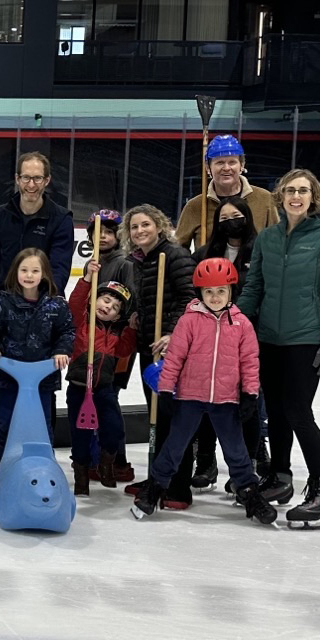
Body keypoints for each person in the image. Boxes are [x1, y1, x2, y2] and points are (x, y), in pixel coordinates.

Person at [237, 169, 320, 525]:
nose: (296, 196)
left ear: (313, 196)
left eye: (303, 191)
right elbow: (253, 288)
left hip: (305, 338)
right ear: (280, 196)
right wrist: (237, 327)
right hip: (268, 338)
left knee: (299, 411)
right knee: (278, 413)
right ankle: (281, 477)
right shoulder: (268, 238)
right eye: (289, 190)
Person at [133, 258, 274, 524]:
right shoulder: (189, 321)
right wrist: (165, 390)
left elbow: (250, 362)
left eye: (221, 290)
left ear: (231, 291)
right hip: (189, 397)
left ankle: (249, 491)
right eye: (209, 292)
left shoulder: (242, 324)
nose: (215, 297)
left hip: (227, 399)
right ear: (200, 293)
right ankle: (155, 488)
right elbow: (174, 358)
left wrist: (250, 394)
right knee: (174, 447)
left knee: (236, 450)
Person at [121, 204, 196, 505]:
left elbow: (190, 298)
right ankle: (157, 477)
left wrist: (172, 333)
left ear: (159, 225)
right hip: (149, 347)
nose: (140, 231)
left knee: (173, 418)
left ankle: (178, 486)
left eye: (145, 225)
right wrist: (138, 314)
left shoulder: (174, 255)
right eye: (134, 227)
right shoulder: (141, 260)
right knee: (157, 417)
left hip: (172, 351)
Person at [0, 248, 75, 478]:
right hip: (9, 378)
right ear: (16, 271)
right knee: (6, 421)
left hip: (42, 380)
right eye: (24, 270)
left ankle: (44, 465)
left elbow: (67, 331)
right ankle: (2, 463)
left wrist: (62, 351)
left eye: (35, 270)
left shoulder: (56, 304)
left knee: (42, 423)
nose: (29, 275)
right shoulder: (3, 301)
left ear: (44, 274)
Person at [187, 196, 262, 491]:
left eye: (237, 215)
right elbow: (193, 291)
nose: (231, 221)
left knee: (247, 404)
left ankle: (247, 464)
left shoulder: (260, 250)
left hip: (248, 336)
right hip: (210, 338)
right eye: (224, 218)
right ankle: (206, 461)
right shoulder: (205, 253)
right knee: (208, 399)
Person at [66, 274, 136, 494]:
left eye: (115, 307)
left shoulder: (115, 335)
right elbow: (75, 303)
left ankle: (106, 463)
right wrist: (86, 280)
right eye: (105, 300)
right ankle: (81, 477)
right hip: (79, 388)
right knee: (81, 435)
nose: (108, 307)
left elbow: (125, 351)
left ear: (117, 316)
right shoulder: (81, 325)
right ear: (93, 300)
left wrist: (132, 329)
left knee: (114, 429)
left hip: (104, 390)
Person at [0, 151, 75, 296]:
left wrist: (46, 304)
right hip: (8, 302)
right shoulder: (1, 215)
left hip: (44, 304)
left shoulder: (61, 219)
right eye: (26, 178)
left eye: (37, 178)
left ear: (47, 180)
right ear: (17, 179)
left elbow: (59, 269)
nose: (31, 184)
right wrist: (1, 298)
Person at [173, 134, 278, 249]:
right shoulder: (195, 206)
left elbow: (277, 242)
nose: (226, 168)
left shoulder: (265, 199)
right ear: (208, 168)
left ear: (242, 165)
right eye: (220, 162)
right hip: (210, 266)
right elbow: (178, 249)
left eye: (232, 162)